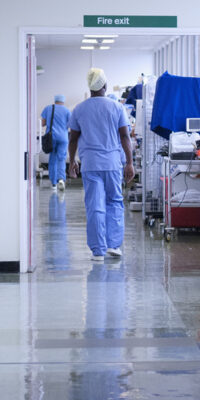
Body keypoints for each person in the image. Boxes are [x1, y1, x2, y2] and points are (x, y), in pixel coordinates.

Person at [68, 68, 135, 261]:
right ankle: (113, 245)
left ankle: (98, 251)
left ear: (90, 88)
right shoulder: (117, 108)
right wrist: (129, 162)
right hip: (113, 164)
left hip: (90, 165)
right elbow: (124, 136)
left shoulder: (79, 109)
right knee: (114, 202)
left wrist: (72, 161)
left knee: (95, 205)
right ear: (105, 85)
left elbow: (73, 139)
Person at [41, 94, 71, 190]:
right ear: (63, 101)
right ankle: (61, 179)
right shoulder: (67, 111)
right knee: (61, 159)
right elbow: (70, 125)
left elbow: (42, 123)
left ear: (55, 100)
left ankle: (53, 183)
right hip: (63, 138)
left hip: (52, 137)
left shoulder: (48, 108)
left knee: (53, 159)